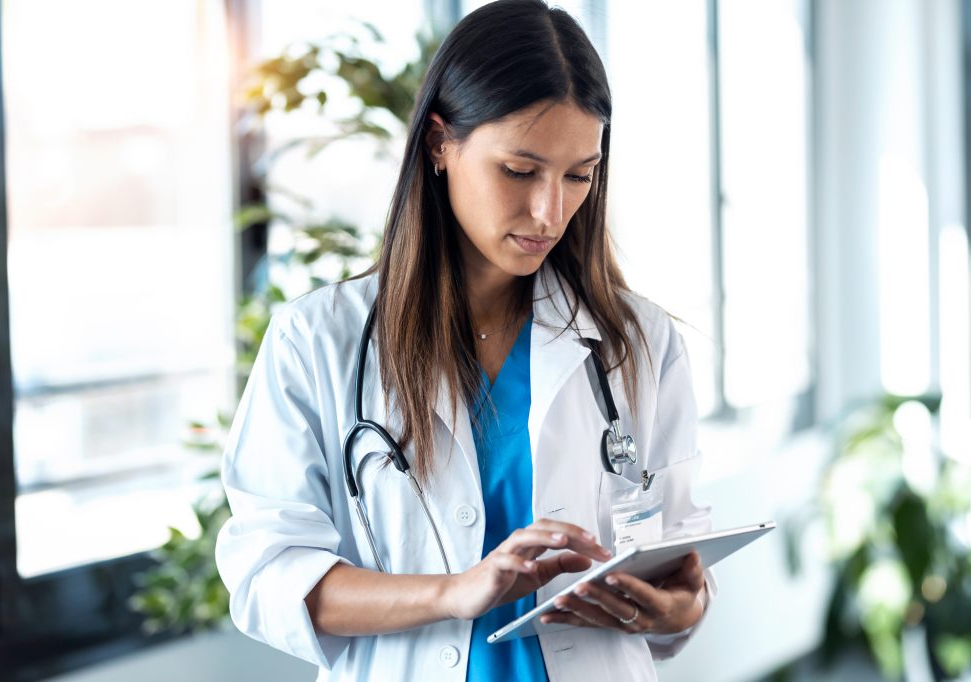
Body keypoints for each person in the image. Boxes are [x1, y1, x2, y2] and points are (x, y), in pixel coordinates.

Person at [215, 1, 717, 680]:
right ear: (438, 144)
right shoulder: (316, 341)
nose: (551, 211)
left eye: (579, 175)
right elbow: (266, 575)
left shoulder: (640, 343)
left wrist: (675, 610)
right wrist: (454, 592)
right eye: (519, 170)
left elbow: (681, 565)